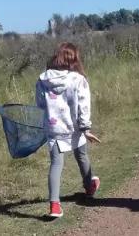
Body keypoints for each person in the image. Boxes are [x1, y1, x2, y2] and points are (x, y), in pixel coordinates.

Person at [35, 43, 102, 218]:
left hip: (54, 128)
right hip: (75, 127)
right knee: (82, 156)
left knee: (56, 165)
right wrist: (86, 128)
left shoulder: (43, 79)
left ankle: (55, 206)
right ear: (74, 58)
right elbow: (84, 106)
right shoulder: (78, 79)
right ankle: (89, 187)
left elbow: (40, 104)